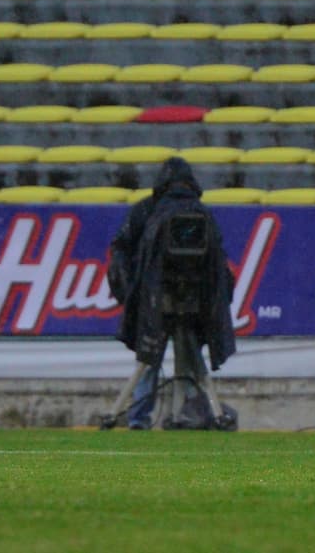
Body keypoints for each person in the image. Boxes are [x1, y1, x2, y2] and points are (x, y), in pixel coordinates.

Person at [106, 157, 238, 431]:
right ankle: (194, 411)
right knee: (189, 359)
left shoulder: (146, 210)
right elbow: (219, 265)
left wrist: (132, 293)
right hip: (191, 300)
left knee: (149, 358)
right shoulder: (202, 214)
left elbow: (120, 251)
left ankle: (140, 418)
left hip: (156, 301)